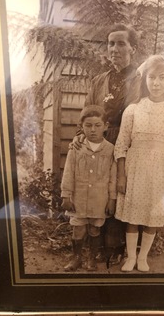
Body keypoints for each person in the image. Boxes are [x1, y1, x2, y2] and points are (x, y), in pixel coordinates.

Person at [72, 24, 141, 266]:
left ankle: (116, 247)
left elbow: (159, 99)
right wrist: (82, 134)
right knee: (99, 190)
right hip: (99, 143)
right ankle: (96, 248)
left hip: (127, 144)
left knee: (118, 192)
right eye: (111, 43)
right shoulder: (99, 80)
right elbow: (87, 112)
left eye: (121, 43)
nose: (114, 48)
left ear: (133, 47)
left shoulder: (140, 79)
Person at [114, 55, 164, 272]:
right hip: (135, 169)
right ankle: (130, 257)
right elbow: (121, 145)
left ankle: (143, 257)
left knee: (153, 217)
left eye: (162, 78)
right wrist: (121, 175)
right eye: (152, 77)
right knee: (132, 216)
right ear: (145, 80)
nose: (156, 83)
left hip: (162, 171)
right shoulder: (134, 109)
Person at [61, 105, 117, 272]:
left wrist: (112, 199)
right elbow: (68, 172)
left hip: (99, 200)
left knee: (94, 229)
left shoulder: (110, 150)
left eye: (97, 125)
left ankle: (91, 258)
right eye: (88, 125)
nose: (93, 130)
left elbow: (113, 178)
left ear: (105, 126)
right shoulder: (76, 148)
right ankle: (76, 258)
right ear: (81, 127)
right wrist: (66, 195)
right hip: (78, 198)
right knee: (78, 229)